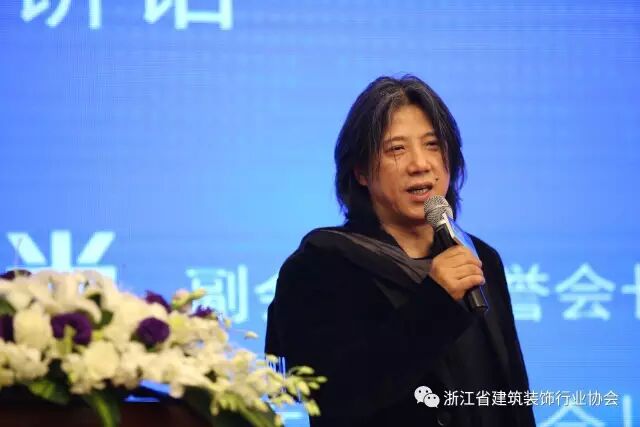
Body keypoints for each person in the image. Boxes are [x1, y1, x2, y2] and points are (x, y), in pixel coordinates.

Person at [265, 75, 536, 427]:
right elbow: (333, 396)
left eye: (432, 145)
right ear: (360, 171)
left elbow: (512, 391)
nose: (420, 164)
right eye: (397, 149)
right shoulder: (321, 267)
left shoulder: (479, 256)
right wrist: (435, 302)